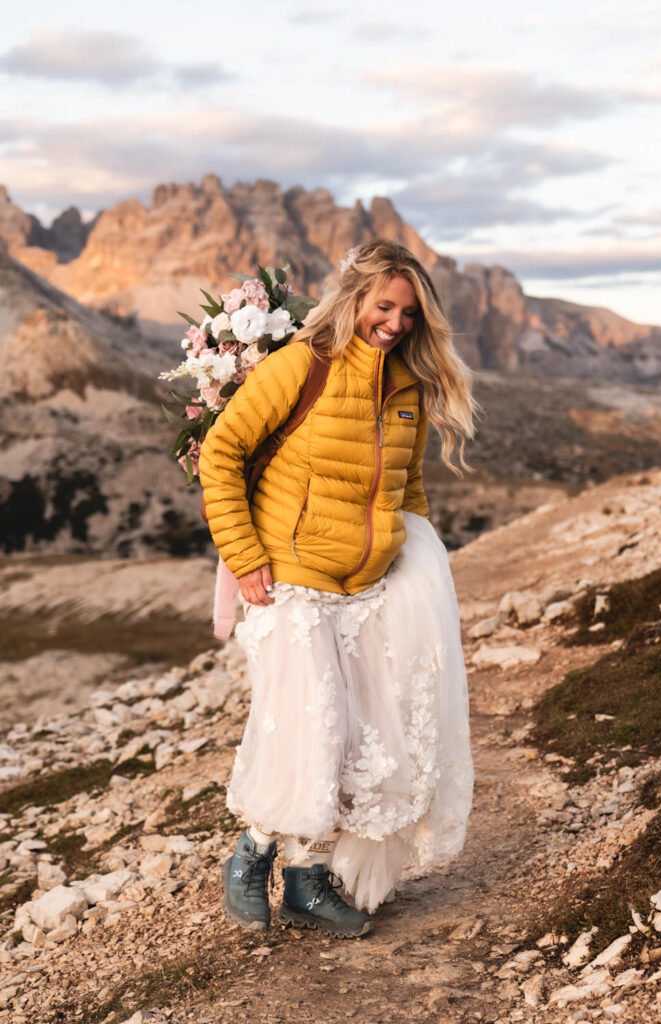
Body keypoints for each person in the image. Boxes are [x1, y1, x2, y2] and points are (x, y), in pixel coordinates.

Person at [199, 238, 476, 940]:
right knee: (306, 725)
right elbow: (224, 453)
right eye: (383, 306)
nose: (394, 323)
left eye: (408, 313)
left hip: (365, 589)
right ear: (354, 299)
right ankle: (250, 857)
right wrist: (244, 552)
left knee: (353, 736)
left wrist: (409, 567)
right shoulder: (303, 366)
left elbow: (406, 490)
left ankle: (305, 880)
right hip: (288, 580)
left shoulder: (406, 387)